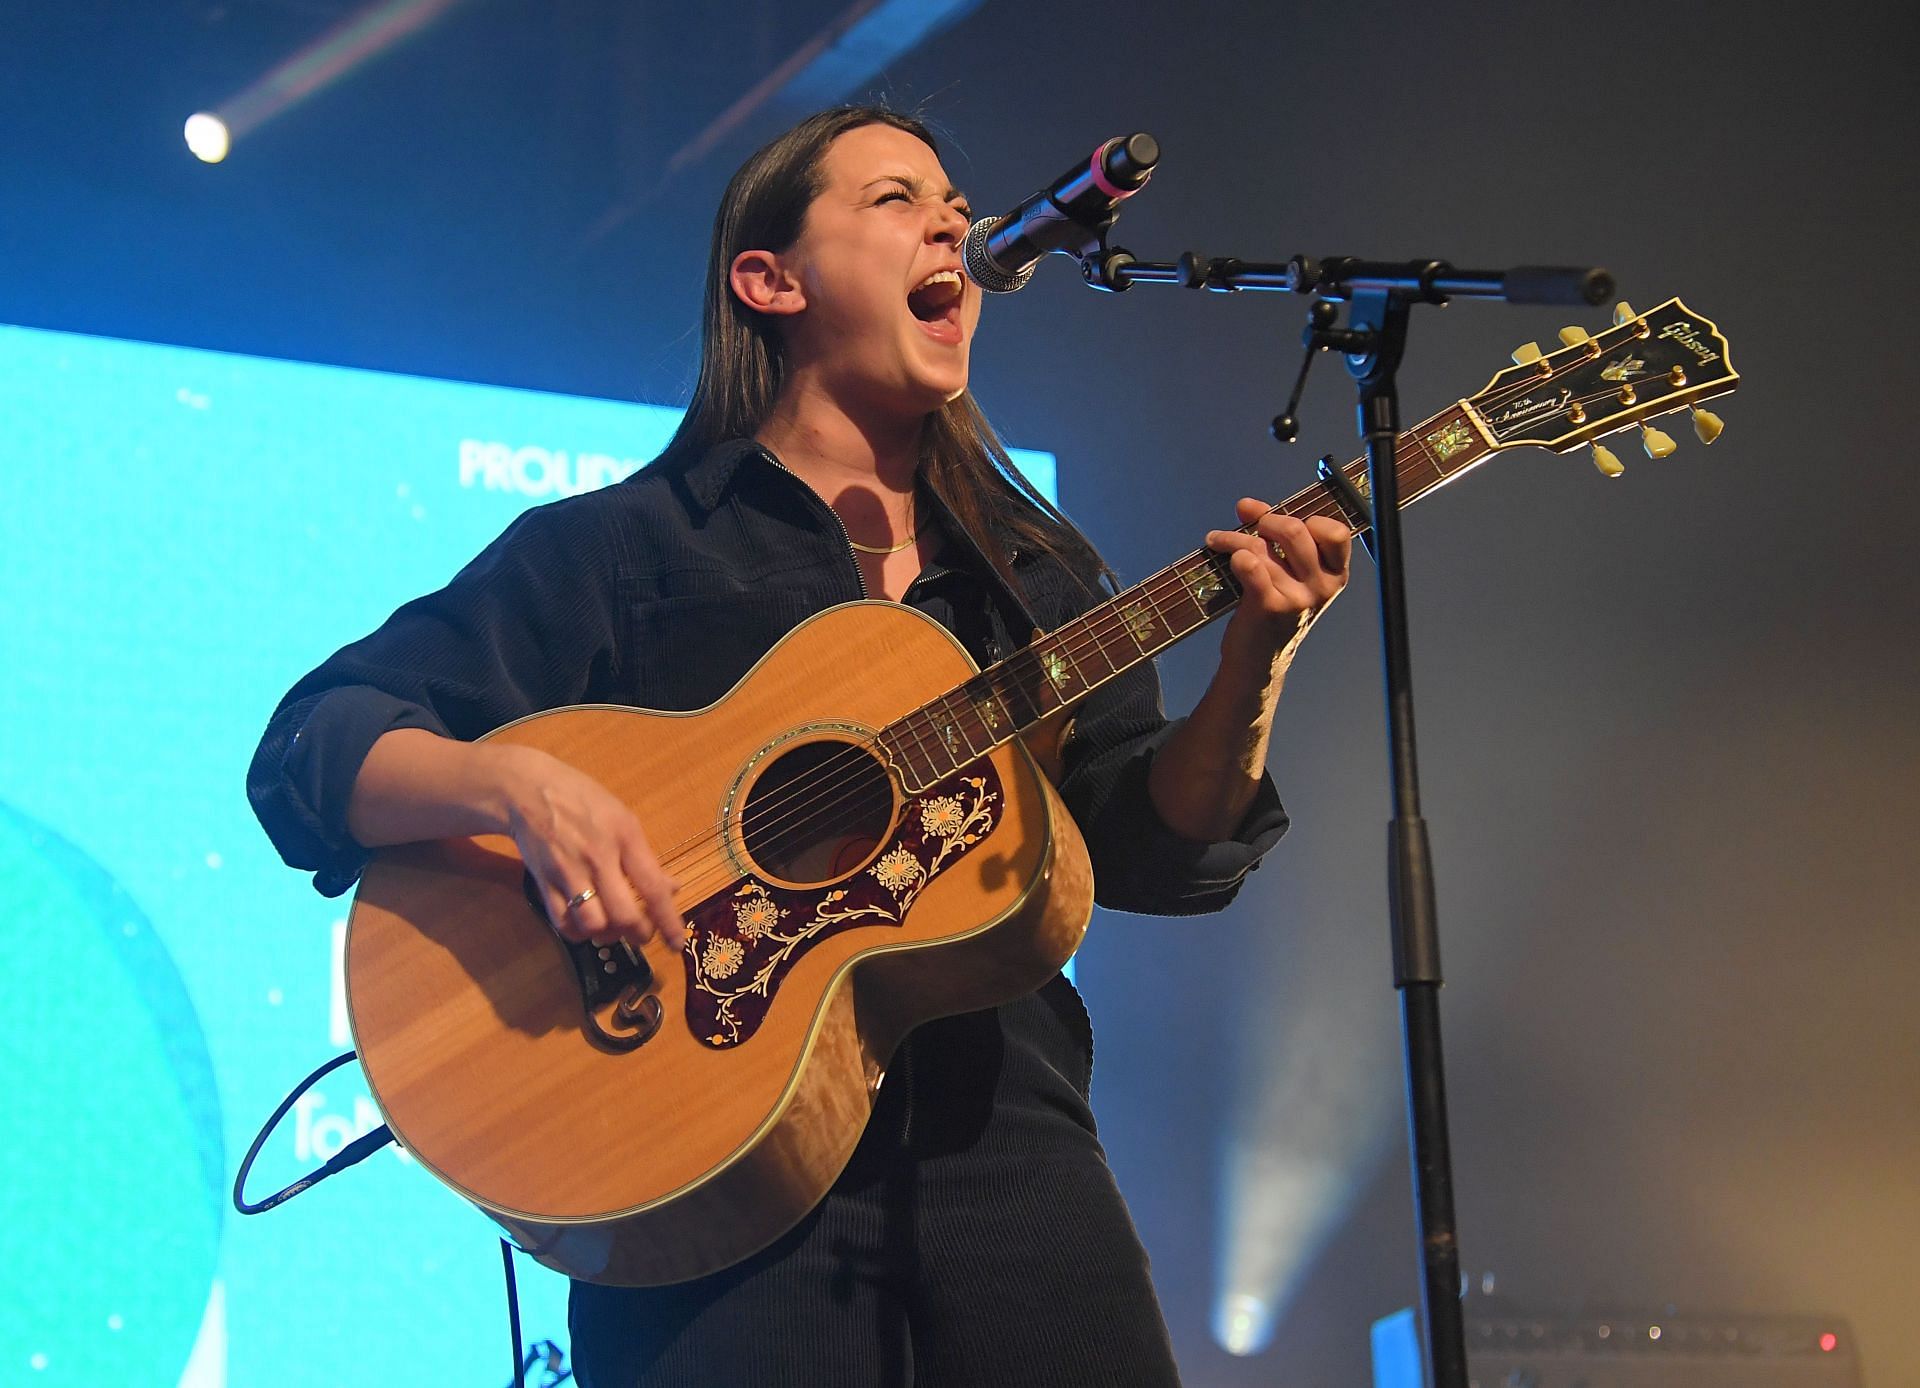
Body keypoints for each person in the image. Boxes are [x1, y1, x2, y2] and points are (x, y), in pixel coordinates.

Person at [247, 105, 1351, 1388]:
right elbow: (308, 750)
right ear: (769, 281)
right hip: (694, 1151)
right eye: (897, 200)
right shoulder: (625, 547)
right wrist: (515, 782)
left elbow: (1160, 848)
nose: (953, 221)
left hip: (1009, 1139)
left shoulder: (1036, 571)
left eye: (953, 199)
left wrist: (1256, 663)